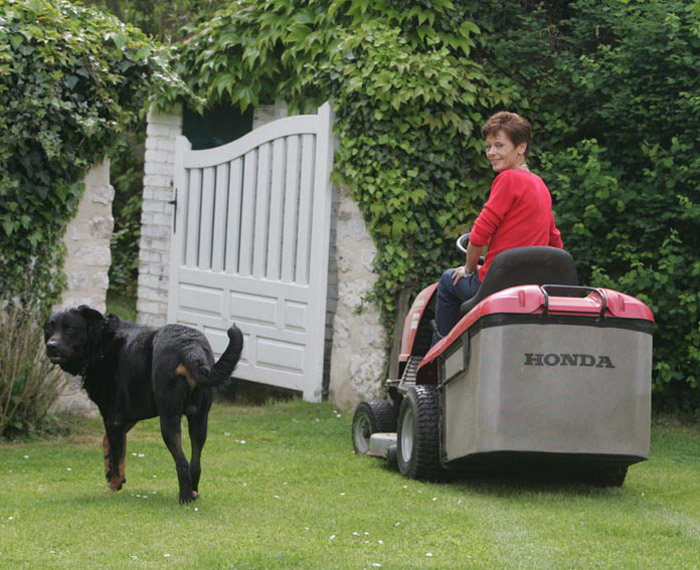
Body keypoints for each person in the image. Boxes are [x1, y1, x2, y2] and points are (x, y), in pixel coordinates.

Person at [434, 111, 563, 338]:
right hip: (531, 289)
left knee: (446, 281)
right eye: (488, 146)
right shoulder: (541, 186)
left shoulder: (508, 179)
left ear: (520, 148)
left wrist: (469, 269)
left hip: (496, 286)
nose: (492, 153)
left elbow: (479, 235)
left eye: (499, 146)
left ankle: (441, 356)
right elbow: (554, 241)